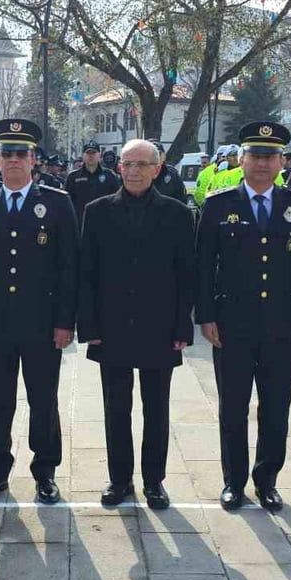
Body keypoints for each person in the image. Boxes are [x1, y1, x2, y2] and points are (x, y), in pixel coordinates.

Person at [196, 122, 291, 512]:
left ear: (282, 161)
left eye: (271, 156)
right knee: (233, 406)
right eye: (256, 155)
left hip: (284, 322)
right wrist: (206, 315)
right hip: (232, 323)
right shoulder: (219, 204)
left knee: (276, 406)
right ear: (243, 159)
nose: (263, 163)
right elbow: (203, 266)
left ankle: (267, 479)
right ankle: (234, 481)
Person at [0, 118, 78, 505]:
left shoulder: (57, 204)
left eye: (20, 153)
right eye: (6, 153)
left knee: (44, 400)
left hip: (42, 324)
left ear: (33, 159)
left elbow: (68, 268)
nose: (13, 160)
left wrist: (65, 321)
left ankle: (45, 472)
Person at [78, 139, 194, 510]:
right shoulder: (97, 212)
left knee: (156, 408)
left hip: (159, 327)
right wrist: (89, 326)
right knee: (116, 408)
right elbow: (88, 274)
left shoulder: (177, 214)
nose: (133, 171)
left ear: (157, 169)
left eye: (142, 164)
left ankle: (154, 481)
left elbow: (184, 275)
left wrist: (182, 328)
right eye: (127, 164)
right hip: (112, 327)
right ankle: (119, 479)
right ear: (119, 168)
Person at [65, 141, 121, 220]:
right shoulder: (73, 177)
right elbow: (67, 203)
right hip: (80, 223)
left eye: (94, 153)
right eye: (88, 153)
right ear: (83, 155)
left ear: (99, 155)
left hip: (104, 221)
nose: (91, 156)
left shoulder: (110, 176)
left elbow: (117, 201)